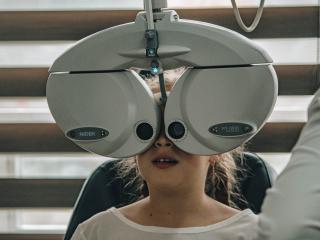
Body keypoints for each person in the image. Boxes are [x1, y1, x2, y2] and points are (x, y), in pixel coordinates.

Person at [70, 68, 320, 240]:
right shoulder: (96, 232)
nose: (163, 140)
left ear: (213, 149)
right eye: (151, 129)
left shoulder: (251, 233)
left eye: (179, 129)